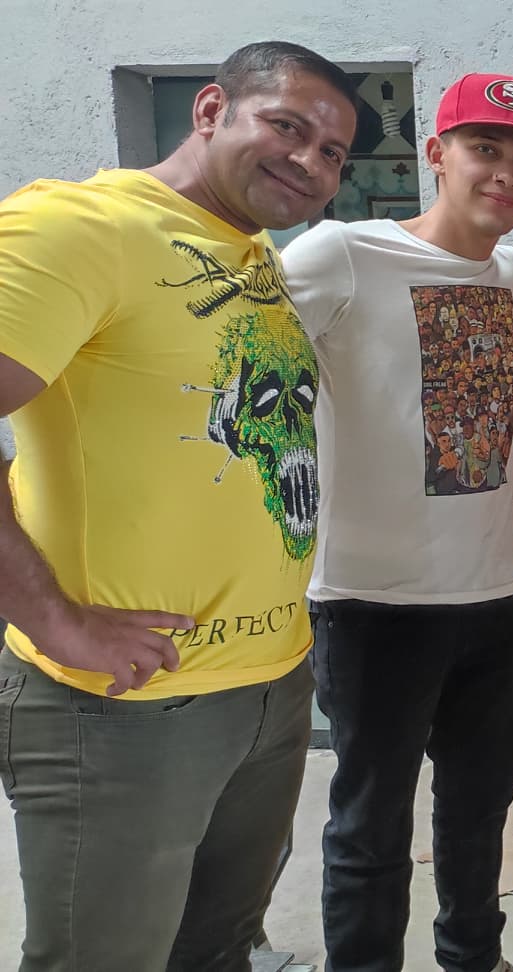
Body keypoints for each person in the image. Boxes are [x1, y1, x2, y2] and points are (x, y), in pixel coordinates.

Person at [0, 42, 358, 971]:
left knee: (219, 950)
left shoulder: (250, 254)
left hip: (270, 687)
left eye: (332, 153)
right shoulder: (81, 226)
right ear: (209, 109)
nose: (309, 162)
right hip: (125, 709)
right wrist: (54, 618)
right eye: (287, 126)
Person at [281, 72, 513, 972]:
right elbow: (242, 370)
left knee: (480, 811)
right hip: (373, 600)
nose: (506, 174)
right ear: (435, 154)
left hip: (492, 594)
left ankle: (473, 957)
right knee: (370, 825)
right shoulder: (339, 254)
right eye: (485, 149)